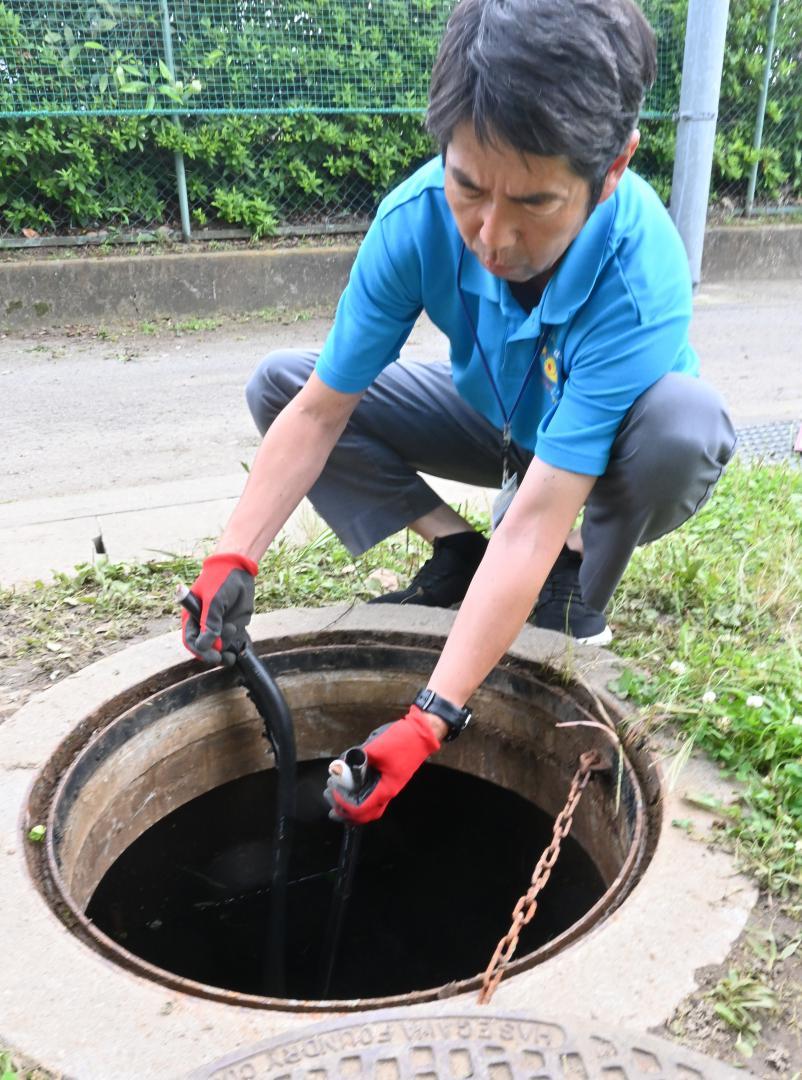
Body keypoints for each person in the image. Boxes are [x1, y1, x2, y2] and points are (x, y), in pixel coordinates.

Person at [182, 0, 736, 825]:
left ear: (613, 166)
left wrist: (429, 715)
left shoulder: (639, 271)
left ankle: (576, 585)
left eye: (535, 204)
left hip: (602, 450)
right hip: (496, 419)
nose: (492, 234)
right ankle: (451, 550)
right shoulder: (416, 221)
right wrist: (233, 557)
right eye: (469, 185)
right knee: (284, 383)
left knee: (682, 430)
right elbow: (321, 412)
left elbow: (539, 512)